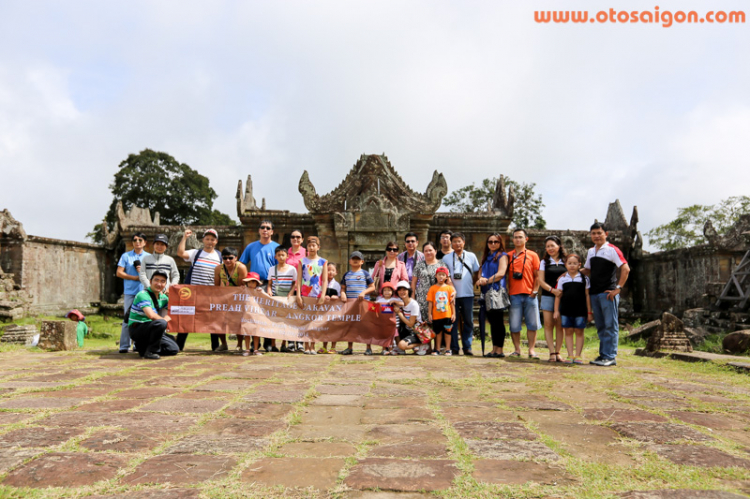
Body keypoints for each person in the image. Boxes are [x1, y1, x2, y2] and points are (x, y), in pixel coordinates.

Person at [581, 222, 631, 367]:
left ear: (606, 234)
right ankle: (603, 355)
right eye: (593, 233)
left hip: (608, 293)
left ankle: (610, 356)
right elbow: (587, 270)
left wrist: (618, 288)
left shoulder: (611, 250)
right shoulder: (591, 251)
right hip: (594, 293)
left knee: (610, 325)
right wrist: (569, 272)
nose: (596, 236)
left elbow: (625, 268)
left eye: (599, 233)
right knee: (601, 326)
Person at [176, 228, 222, 352]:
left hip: (211, 293)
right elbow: (180, 253)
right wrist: (184, 238)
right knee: (187, 317)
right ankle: (179, 345)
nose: (209, 241)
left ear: (216, 241)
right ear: (203, 240)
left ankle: (215, 346)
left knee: (213, 319)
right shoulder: (195, 253)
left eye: (212, 239)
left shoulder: (219, 256)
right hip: (194, 291)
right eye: (207, 239)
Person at [239, 220, 280, 352]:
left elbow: (279, 267)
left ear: (272, 231)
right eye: (262, 227)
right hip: (253, 285)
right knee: (251, 314)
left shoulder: (276, 247)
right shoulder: (251, 247)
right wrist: (244, 281)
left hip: (269, 284)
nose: (265, 230)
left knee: (267, 314)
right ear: (259, 230)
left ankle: (267, 341)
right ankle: (252, 343)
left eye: (268, 228)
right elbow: (242, 264)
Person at [442, 232, 480, 356]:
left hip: (468, 294)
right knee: (453, 321)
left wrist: (472, 284)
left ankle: (467, 346)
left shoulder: (471, 256)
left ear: (464, 242)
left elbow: (477, 272)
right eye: (454, 241)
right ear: (451, 244)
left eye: (459, 241)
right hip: (452, 295)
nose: (457, 244)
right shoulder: (446, 258)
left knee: (468, 320)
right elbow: (444, 275)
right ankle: (454, 347)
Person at [507, 229, 542, 358]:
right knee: (514, 324)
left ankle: (531, 350)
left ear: (526, 239)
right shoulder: (508, 255)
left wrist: (535, 290)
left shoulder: (533, 255)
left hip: (530, 294)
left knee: (532, 324)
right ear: (512, 240)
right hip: (514, 294)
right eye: (515, 237)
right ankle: (517, 349)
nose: (518, 240)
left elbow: (537, 275)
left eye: (520, 237)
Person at [554, 254, 592, 365]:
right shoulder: (562, 279)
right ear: (565, 265)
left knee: (579, 331)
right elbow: (558, 296)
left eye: (575, 263)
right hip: (566, 309)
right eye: (569, 263)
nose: (572, 266)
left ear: (579, 265)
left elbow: (587, 295)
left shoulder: (584, 279)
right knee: (568, 331)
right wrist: (556, 310)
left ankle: (578, 355)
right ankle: (570, 354)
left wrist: (589, 312)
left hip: (580, 310)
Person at [116, 232, 150, 353]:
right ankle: (124, 345)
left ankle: (138, 344)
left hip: (144, 291)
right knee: (127, 318)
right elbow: (119, 272)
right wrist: (134, 277)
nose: (137, 242)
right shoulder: (126, 256)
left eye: (140, 240)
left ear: (145, 242)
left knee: (143, 318)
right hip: (130, 291)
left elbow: (154, 274)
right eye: (135, 240)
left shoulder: (149, 257)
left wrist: (143, 273)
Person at [411, 242, 448, 353]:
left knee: (436, 322)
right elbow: (413, 282)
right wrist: (413, 296)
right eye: (426, 250)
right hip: (422, 297)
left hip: (438, 298)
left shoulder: (442, 264)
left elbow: (448, 280)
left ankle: (437, 348)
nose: (428, 252)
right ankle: (427, 346)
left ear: (435, 251)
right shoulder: (419, 265)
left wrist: (452, 292)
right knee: (424, 323)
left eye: (430, 250)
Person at [127, 270, 173, 360]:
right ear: (150, 281)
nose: (159, 284)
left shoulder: (163, 298)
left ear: (166, 284)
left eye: (162, 281)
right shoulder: (143, 295)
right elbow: (151, 315)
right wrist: (165, 320)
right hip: (138, 328)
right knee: (161, 323)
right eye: (156, 280)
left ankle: (144, 348)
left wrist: (173, 296)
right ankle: (151, 351)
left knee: (173, 349)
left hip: (152, 328)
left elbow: (174, 309)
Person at [477, 233, 509, 358]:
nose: (493, 244)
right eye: (490, 242)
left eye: (496, 242)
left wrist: (486, 280)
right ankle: (494, 348)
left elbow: (501, 273)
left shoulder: (502, 256)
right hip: (486, 292)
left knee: (498, 321)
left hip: (496, 292)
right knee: (491, 321)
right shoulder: (486, 257)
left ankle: (500, 349)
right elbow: (480, 272)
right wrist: (480, 279)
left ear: (500, 243)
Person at [339, 251, 376, 356]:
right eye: (353, 258)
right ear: (349, 261)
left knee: (366, 326)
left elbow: (372, 287)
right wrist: (342, 294)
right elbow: (343, 288)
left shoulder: (365, 274)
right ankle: (350, 347)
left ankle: (368, 348)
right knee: (351, 325)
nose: (356, 260)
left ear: (362, 261)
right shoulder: (346, 275)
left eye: (358, 259)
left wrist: (364, 292)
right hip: (351, 304)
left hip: (363, 303)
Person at [296, 236, 327, 354]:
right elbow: (299, 280)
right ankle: (306, 345)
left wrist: (323, 295)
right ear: (306, 247)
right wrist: (298, 295)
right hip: (305, 293)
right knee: (305, 320)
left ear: (318, 247)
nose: (312, 248)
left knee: (314, 321)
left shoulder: (323, 262)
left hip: (317, 294)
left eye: (314, 246)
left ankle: (313, 345)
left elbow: (324, 280)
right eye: (309, 246)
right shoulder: (302, 261)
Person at [538, 235, 567, 362]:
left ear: (559, 246)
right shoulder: (544, 262)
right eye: (548, 246)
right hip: (548, 295)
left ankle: (558, 351)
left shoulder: (566, 261)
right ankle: (551, 352)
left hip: (563, 297)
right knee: (549, 324)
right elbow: (541, 280)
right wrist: (552, 290)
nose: (550, 248)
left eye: (552, 246)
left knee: (560, 325)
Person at [214, 247, 248, 353]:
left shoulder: (241, 268)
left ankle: (239, 345)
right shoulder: (218, 269)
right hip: (223, 297)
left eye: (230, 258)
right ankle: (223, 344)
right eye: (225, 258)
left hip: (238, 297)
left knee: (238, 321)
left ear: (236, 258)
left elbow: (242, 286)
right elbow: (216, 286)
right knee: (219, 321)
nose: (227, 260)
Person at [267, 246, 298, 353]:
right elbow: (269, 284)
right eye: (279, 255)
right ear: (275, 257)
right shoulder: (272, 269)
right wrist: (269, 291)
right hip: (275, 298)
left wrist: (291, 292)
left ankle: (283, 344)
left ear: (287, 256)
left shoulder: (292, 269)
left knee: (285, 321)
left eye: (283, 255)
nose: (281, 257)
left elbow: (295, 283)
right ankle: (273, 344)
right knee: (274, 322)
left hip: (287, 298)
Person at [426, 267, 455, 356]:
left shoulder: (449, 288)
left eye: (443, 275)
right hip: (436, 315)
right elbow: (430, 302)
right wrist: (429, 314)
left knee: (447, 331)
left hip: (447, 314)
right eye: (439, 275)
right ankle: (437, 349)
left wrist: (454, 313)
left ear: (446, 277)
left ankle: (448, 349)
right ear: (436, 276)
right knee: (438, 333)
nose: (441, 277)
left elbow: (452, 302)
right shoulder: (432, 288)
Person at [285, 229, 306, 351]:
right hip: (287, 286)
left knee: (301, 315)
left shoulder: (306, 252)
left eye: (298, 237)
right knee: (289, 315)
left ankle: (300, 341)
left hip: (302, 287)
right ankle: (290, 341)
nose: (295, 239)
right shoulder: (286, 253)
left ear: (302, 239)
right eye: (293, 237)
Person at [394, 281, 428, 355]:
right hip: (406, 330)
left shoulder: (413, 304)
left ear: (408, 291)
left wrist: (399, 313)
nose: (402, 292)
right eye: (399, 290)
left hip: (417, 331)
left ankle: (423, 344)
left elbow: (410, 324)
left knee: (402, 345)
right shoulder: (400, 303)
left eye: (404, 290)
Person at [241, 272, 265, 356]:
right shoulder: (244, 290)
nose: (251, 284)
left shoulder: (259, 291)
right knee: (247, 332)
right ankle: (247, 349)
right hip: (246, 315)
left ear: (257, 283)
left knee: (256, 333)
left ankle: (255, 349)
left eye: (253, 282)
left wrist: (261, 291)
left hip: (256, 315)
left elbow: (266, 299)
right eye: (249, 282)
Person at [321, 262, 341, 354]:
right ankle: (324, 346)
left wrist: (336, 298)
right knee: (325, 328)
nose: (330, 272)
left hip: (334, 310)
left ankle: (333, 347)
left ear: (336, 272)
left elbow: (340, 297)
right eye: (328, 270)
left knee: (333, 328)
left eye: (333, 270)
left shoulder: (337, 285)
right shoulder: (320, 283)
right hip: (323, 310)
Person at [375, 282, 401, 355]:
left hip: (393, 323)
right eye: (385, 290)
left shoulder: (395, 299)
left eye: (389, 290)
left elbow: (402, 303)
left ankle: (392, 349)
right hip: (383, 324)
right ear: (382, 292)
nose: (387, 292)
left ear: (392, 292)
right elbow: (373, 308)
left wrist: (395, 301)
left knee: (393, 336)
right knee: (384, 336)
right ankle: (383, 349)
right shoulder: (379, 300)